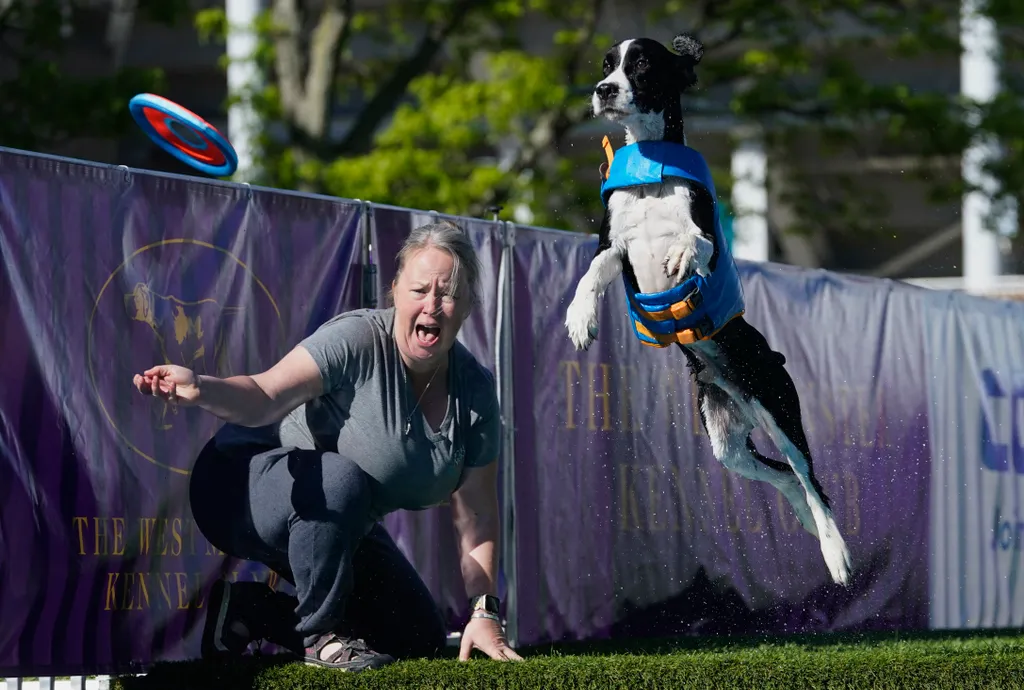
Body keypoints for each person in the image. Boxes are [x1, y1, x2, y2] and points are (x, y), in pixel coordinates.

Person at [132, 219, 523, 672]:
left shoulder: (474, 392)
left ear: (469, 304)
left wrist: (483, 611)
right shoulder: (357, 338)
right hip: (235, 483)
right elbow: (264, 395)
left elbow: (476, 512)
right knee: (340, 477)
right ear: (394, 290)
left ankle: (248, 611)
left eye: (448, 293)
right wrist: (201, 385)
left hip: (337, 516)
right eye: (420, 290)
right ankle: (322, 637)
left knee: (417, 636)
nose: (432, 305)